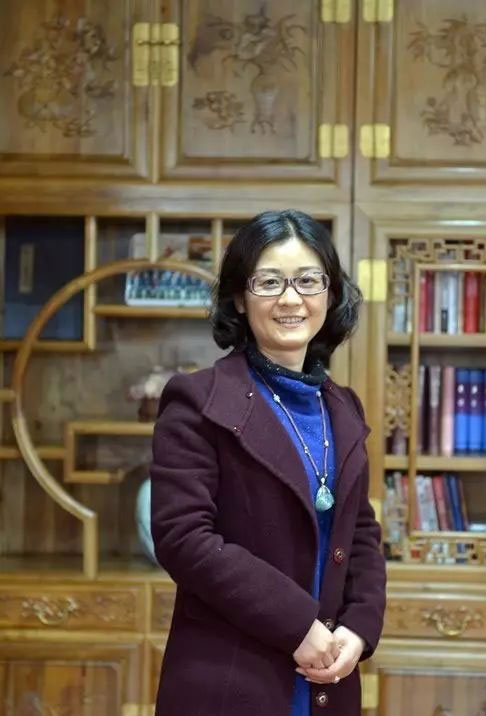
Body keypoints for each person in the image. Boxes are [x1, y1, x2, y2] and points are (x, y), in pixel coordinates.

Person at [150, 209, 387, 716]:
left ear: (330, 294)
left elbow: (361, 531)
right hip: (231, 675)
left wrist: (359, 627)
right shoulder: (197, 400)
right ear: (240, 296)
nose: (291, 299)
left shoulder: (343, 406)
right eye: (269, 282)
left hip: (328, 677)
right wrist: (297, 626)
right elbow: (183, 538)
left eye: (308, 280)